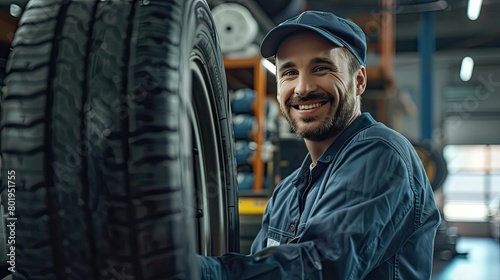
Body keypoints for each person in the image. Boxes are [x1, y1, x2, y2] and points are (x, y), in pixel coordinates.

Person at [198, 10, 441, 280]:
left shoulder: (381, 153)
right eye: (289, 72)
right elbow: (263, 263)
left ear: (358, 80)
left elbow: (320, 265)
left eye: (321, 68)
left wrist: (193, 271)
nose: (302, 88)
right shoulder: (286, 192)